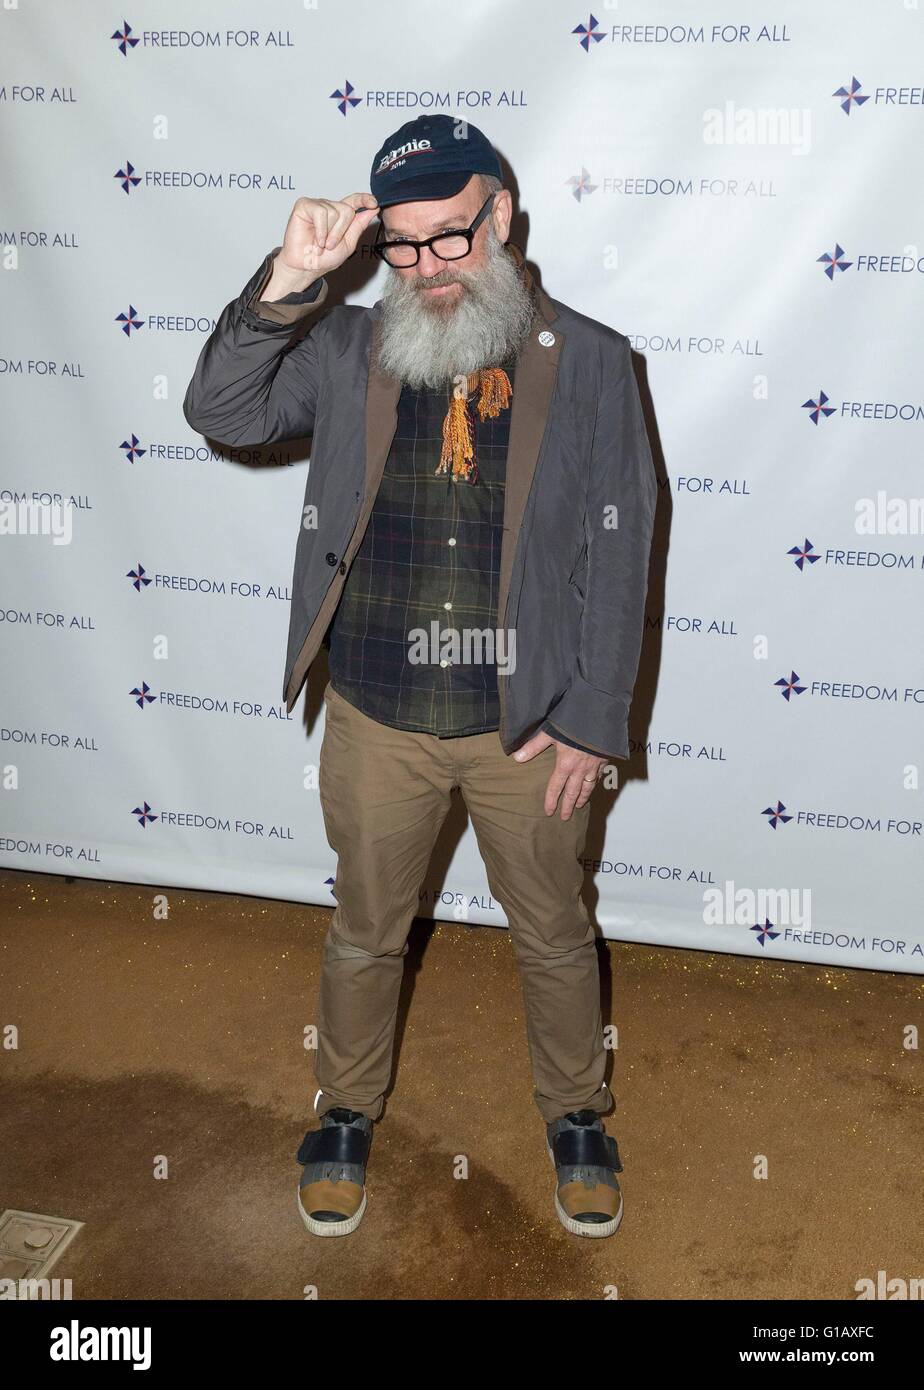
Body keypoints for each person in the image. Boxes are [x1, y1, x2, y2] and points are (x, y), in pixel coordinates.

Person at [184, 113, 657, 1241]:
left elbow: (620, 550)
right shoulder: (351, 347)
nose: (428, 267)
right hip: (376, 712)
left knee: (554, 932)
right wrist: (288, 281)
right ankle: (344, 1109)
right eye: (400, 245)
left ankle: (577, 1115)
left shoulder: (593, 361)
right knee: (365, 928)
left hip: (529, 725)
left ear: (503, 214)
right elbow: (222, 410)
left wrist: (594, 719)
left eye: (450, 236)